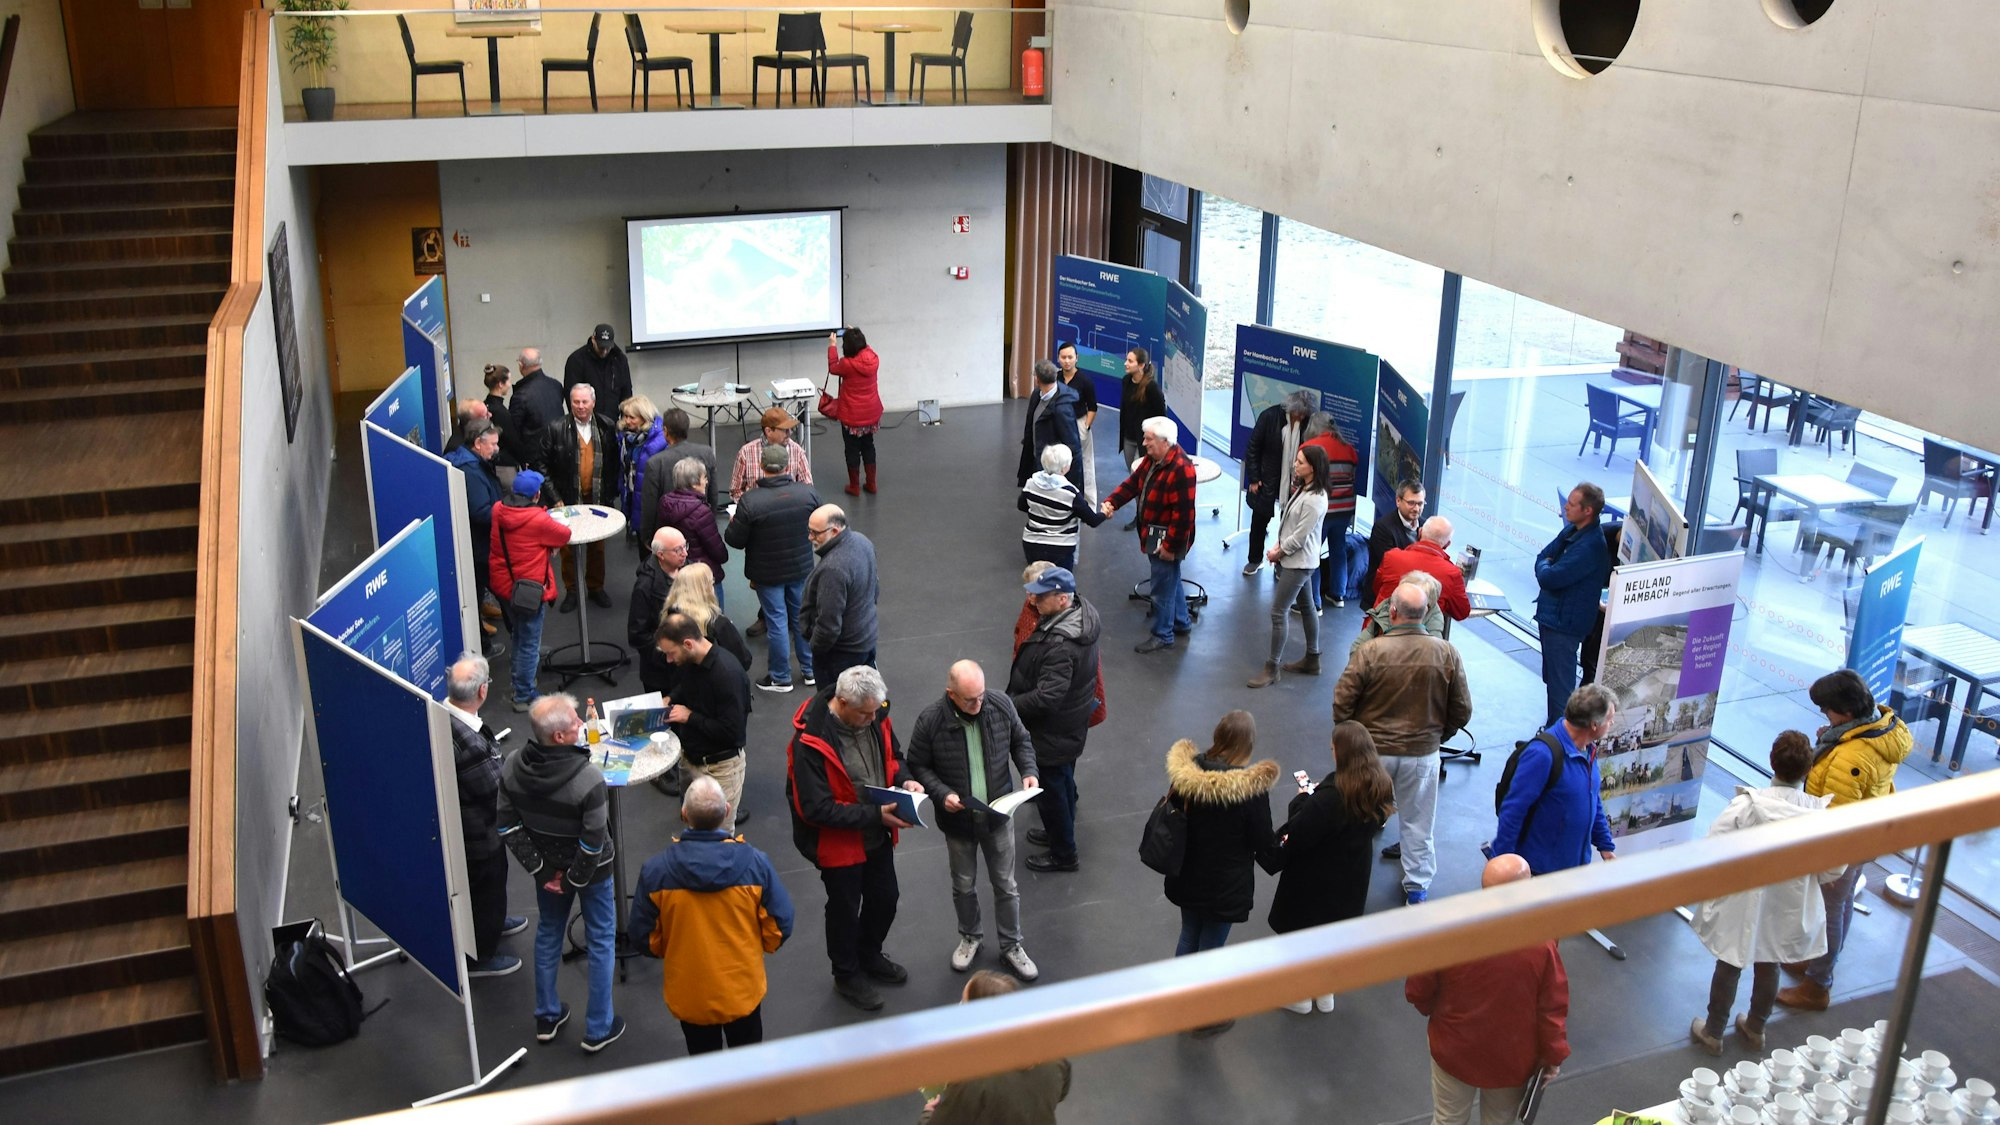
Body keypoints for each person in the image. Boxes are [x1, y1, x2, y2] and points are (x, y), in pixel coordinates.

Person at [1689, 730, 1844, 1054]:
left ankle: (1714, 1032)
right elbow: (1834, 868)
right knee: (1770, 961)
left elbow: (1713, 846)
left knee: (1730, 961)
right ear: (1808, 770)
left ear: (1772, 761)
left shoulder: (1747, 806)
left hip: (1743, 897)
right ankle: (1757, 1027)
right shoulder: (1818, 816)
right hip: (1789, 901)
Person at [785, 665, 924, 1011]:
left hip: (876, 831)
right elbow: (815, 809)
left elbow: (895, 755)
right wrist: (875, 814)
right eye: (865, 713)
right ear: (842, 702)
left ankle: (869, 953)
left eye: (876, 710)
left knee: (886, 898)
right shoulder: (809, 743)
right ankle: (846, 973)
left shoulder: (875, 713)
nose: (873, 718)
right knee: (845, 908)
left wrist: (905, 779)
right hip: (837, 843)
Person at [626, 776, 793, 1057]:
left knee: (703, 1064)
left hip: (690, 994)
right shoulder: (756, 864)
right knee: (749, 1065)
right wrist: (758, 946)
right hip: (742, 990)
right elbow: (780, 924)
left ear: (683, 813)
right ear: (727, 810)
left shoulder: (656, 872)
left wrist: (673, 948)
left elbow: (643, 936)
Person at [1777, 668, 1913, 1012]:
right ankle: (1817, 963)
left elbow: (1836, 811)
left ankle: (1817, 984)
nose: (1825, 716)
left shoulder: (1852, 755)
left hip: (1845, 841)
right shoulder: (1881, 727)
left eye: (1828, 710)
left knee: (1830, 907)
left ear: (1847, 712)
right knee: (1842, 902)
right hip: (1867, 832)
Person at [495, 693, 622, 1052]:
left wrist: (543, 871)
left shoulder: (511, 766)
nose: (582, 724)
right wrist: (572, 878)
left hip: (547, 874)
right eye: (575, 723)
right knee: (600, 940)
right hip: (592, 874)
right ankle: (599, 1028)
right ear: (560, 738)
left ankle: (547, 1016)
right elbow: (593, 843)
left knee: (548, 934)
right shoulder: (589, 780)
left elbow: (507, 826)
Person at [1332, 582, 1473, 904]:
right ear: (1425, 612)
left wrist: (1354, 740)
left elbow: (1342, 702)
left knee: (1356, 818)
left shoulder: (1371, 651)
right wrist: (1438, 737)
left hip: (1371, 754)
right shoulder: (1446, 652)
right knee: (1418, 824)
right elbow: (1462, 709)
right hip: (1421, 754)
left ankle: (1345, 885)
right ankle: (1417, 890)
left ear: (1392, 611)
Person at [1405, 854, 1570, 1125]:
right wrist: (1554, 1055)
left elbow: (1417, 990)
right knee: (1500, 1120)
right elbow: (1551, 1006)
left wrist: (1439, 1015)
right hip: (1510, 1058)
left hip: (1454, 1048)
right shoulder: (1542, 941)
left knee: (1447, 1119)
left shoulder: (1448, 929)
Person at [905, 660, 1041, 981]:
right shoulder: (930, 721)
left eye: (981, 695)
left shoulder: (999, 704)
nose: (979, 703)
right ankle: (971, 936)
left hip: (998, 817)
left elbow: (1021, 740)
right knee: (963, 885)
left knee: (1006, 886)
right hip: (959, 824)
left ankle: (1011, 945)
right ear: (951, 694)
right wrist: (942, 793)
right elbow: (917, 765)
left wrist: (1029, 771)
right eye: (970, 699)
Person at [1261, 720, 1394, 1014]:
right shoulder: (1379, 786)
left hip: (1316, 880)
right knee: (1332, 940)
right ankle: (1324, 994)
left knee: (1302, 939)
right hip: (1351, 878)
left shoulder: (1331, 798)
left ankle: (1298, 998)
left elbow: (1301, 832)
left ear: (1341, 753)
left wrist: (1301, 800)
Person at [1163, 710, 1278, 1038]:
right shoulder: (1250, 790)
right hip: (1225, 885)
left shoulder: (1188, 773)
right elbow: (1263, 842)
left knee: (1189, 935)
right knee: (1212, 948)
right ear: (1248, 744)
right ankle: (1200, 1015)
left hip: (1188, 873)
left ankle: (1176, 1000)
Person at [1007, 565, 1101, 875]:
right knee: (1063, 783)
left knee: (1053, 792)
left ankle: (1064, 853)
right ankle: (1059, 834)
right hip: (1070, 724)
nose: (1033, 602)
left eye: (1041, 597)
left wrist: (1009, 705)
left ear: (1061, 599)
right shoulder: (1081, 614)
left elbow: (1047, 697)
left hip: (1053, 731)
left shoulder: (1061, 645)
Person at [443, 654, 527, 977]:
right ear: (482, 692)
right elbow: (496, 791)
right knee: (486, 890)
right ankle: (483, 955)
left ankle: (494, 922)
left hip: (472, 831)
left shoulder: (446, 719)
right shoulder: (471, 744)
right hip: (480, 836)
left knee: (491, 891)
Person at [1490, 683, 1618, 876]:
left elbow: (1592, 798)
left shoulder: (1588, 750)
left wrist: (1605, 846)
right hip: (1539, 874)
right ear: (1594, 724)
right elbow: (1513, 811)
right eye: (1609, 719)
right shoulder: (1542, 755)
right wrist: (1502, 868)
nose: (1612, 724)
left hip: (1572, 871)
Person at [724, 442, 822, 692]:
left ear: (763, 467)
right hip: (800, 567)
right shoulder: (807, 494)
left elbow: (734, 540)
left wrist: (737, 520)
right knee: (801, 617)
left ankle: (780, 677)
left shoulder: (751, 501)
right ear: (788, 466)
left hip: (767, 572)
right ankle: (811, 670)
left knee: (777, 621)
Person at [918, 971, 1071, 1125]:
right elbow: (1061, 1092)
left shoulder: (971, 1080)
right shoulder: (1052, 1052)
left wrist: (928, 1115)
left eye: (964, 1004)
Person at [1101, 415, 1197, 654]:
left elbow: (1183, 516)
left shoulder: (1181, 469)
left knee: (1162, 585)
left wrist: (1170, 548)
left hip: (1167, 539)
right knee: (1170, 577)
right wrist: (1112, 501)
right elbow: (1134, 483)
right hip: (1155, 535)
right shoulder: (1154, 459)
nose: (1144, 443)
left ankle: (1163, 634)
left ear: (1165, 441)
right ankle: (1181, 622)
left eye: (1149, 439)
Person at [654, 612, 751, 835]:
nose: (669, 660)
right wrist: (671, 698)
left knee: (718, 837)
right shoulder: (690, 661)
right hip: (689, 760)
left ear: (688, 644)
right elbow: (686, 686)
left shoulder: (727, 674)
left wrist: (690, 717)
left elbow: (732, 732)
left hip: (719, 769)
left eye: (671, 653)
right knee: (691, 825)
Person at [489, 469, 573, 711]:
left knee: (519, 633)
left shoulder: (498, 509)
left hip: (505, 584)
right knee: (528, 640)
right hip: (529, 590)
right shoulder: (537, 519)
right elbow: (563, 535)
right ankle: (524, 693)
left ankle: (521, 675)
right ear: (536, 494)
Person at [1250, 445, 1330, 688]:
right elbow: (1289, 525)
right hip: (1298, 559)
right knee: (1306, 607)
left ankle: (1272, 667)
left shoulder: (1316, 499)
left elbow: (1299, 538)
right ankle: (1312, 658)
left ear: (1313, 468)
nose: (1295, 465)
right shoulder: (1306, 489)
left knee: (1278, 612)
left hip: (1298, 563)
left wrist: (1278, 553)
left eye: (1300, 462)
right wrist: (1278, 545)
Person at [1534, 482, 1612, 725]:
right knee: (1553, 681)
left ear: (1587, 510)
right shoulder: (1573, 531)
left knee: (1560, 688)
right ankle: (1551, 733)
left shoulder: (1589, 546)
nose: (1565, 506)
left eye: (1571, 503)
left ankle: (1557, 742)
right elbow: (1542, 556)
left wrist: (1547, 565)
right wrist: (1546, 563)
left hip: (1563, 626)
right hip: (1553, 619)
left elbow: (1549, 576)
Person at [541, 383, 622, 612]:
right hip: (566, 499)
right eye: (576, 402)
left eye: (585, 402)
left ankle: (596, 588)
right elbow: (542, 466)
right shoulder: (555, 428)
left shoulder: (606, 426)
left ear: (593, 403)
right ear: (570, 403)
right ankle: (572, 591)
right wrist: (555, 498)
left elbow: (613, 464)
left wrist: (609, 495)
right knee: (568, 547)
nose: (580, 406)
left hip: (597, 499)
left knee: (598, 547)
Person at [800, 504, 879, 689]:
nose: (810, 537)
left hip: (840, 655)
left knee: (835, 707)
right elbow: (875, 588)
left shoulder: (833, 569)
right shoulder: (863, 541)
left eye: (815, 533)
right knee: (862, 700)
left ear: (834, 531)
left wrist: (815, 648)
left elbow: (828, 626)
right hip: (865, 640)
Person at [1243, 389, 1314, 576]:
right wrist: (1254, 478)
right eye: (1301, 413)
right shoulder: (1269, 417)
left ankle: (1281, 564)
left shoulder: (1308, 424)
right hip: (1267, 479)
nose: (1303, 416)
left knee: (1290, 526)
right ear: (1293, 409)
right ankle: (1254, 559)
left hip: (1294, 483)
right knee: (1259, 522)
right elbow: (1253, 448)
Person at [446, 420, 505, 635]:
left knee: (478, 589)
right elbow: (481, 511)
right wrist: (507, 515)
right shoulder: (471, 471)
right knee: (502, 591)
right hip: (481, 544)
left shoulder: (468, 461)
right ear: (478, 443)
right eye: (493, 444)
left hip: (475, 543)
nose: (496, 449)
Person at [640, 407, 722, 547]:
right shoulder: (707, 453)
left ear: (665, 431)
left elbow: (649, 505)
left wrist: (647, 537)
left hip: (669, 536)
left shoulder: (655, 463)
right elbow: (713, 493)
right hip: (700, 528)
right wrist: (710, 521)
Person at [1301, 412, 1360, 605]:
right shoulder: (1349, 449)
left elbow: (1299, 482)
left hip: (1321, 510)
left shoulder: (1309, 449)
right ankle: (1338, 594)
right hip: (1344, 510)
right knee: (1338, 549)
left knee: (1313, 551)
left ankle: (1314, 601)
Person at [1018, 443, 1105, 569]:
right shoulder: (1070, 493)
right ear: (1064, 468)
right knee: (1061, 585)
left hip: (1032, 544)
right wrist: (1105, 514)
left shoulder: (1031, 484)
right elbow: (1092, 520)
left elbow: (1022, 506)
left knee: (1038, 584)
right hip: (1061, 547)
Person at [1373, 515, 1471, 620]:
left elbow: (1376, 588)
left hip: (1379, 629)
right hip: (1421, 634)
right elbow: (1462, 612)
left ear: (1420, 532)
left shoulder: (1391, 557)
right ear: (1447, 544)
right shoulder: (1452, 573)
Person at [825, 327, 884, 496]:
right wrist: (858, 336)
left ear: (848, 348)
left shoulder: (847, 365)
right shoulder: (873, 358)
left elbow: (832, 367)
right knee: (868, 446)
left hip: (852, 418)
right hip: (871, 415)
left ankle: (854, 486)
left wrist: (832, 345)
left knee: (852, 450)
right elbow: (867, 349)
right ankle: (871, 483)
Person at [629, 528, 687, 695]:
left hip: (687, 667)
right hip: (660, 674)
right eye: (678, 549)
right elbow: (637, 634)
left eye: (685, 546)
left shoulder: (687, 569)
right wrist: (670, 655)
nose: (684, 553)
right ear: (660, 555)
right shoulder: (645, 587)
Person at [658, 456, 729, 590]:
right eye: (704, 478)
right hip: (702, 575)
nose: (707, 482)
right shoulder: (701, 512)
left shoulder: (665, 503)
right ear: (694, 483)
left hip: (676, 571)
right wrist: (724, 556)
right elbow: (717, 550)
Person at [1017, 359, 1081, 489]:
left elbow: (1072, 445)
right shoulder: (1036, 395)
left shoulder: (1062, 409)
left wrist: (1073, 485)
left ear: (1037, 379)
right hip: (1036, 460)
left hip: (1052, 471)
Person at [730, 407, 813, 501]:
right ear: (768, 431)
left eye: (790, 429)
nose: (789, 433)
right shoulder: (745, 453)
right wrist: (751, 506)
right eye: (785, 430)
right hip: (757, 511)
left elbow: (807, 488)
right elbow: (736, 491)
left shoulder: (797, 451)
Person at [1364, 480, 1425, 605]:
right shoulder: (1383, 527)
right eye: (1411, 503)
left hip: (1415, 594)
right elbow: (1392, 564)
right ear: (1398, 501)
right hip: (1385, 596)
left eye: (1420, 503)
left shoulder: (1427, 526)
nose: (1416, 508)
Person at [616, 394, 667, 542]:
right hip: (633, 490)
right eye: (625, 416)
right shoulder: (626, 437)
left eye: (632, 417)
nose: (627, 421)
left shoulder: (659, 439)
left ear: (644, 417)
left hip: (651, 497)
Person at [507, 347, 565, 471]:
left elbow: (514, 430)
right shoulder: (556, 385)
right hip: (560, 451)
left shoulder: (520, 395)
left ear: (521, 365)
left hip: (535, 457)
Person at [563, 323, 632, 422]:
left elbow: (626, 392)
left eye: (607, 348)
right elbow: (571, 394)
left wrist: (626, 420)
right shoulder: (577, 360)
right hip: (585, 421)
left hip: (612, 421)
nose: (604, 351)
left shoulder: (619, 359)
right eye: (601, 347)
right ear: (593, 340)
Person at [1056, 342, 1098, 503]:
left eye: (1070, 357)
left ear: (1076, 359)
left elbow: (1092, 407)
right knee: (1061, 463)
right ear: (1058, 359)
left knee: (1086, 464)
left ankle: (1089, 503)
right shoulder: (1056, 378)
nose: (1067, 361)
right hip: (1060, 424)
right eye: (1063, 357)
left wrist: (1086, 427)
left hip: (1079, 424)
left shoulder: (1085, 381)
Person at [1115, 347, 1166, 473]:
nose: (1125, 363)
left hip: (1144, 439)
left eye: (1130, 361)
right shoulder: (1126, 381)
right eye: (1126, 360)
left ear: (1141, 365)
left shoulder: (1152, 388)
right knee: (1131, 472)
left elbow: (1161, 416)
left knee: (1140, 473)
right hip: (1128, 436)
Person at [482, 362, 516, 466]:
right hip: (503, 464)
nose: (510, 384)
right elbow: (513, 440)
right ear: (501, 384)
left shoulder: (485, 405)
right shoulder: (501, 412)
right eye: (509, 381)